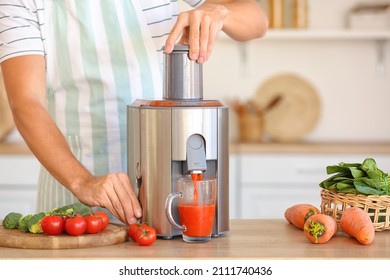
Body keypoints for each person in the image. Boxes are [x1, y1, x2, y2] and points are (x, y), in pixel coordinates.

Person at [0, 0, 268, 225]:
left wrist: (221, 12)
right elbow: (26, 101)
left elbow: (257, 21)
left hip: (164, 192)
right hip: (72, 198)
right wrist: (82, 183)